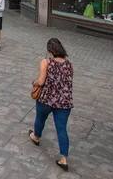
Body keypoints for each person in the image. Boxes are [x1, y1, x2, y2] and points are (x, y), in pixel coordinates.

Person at [28, 38, 74, 172]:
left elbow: (41, 81)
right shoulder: (69, 65)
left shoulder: (46, 62)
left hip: (47, 99)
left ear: (50, 51)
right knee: (62, 129)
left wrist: (34, 83)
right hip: (64, 102)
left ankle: (36, 137)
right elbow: (68, 80)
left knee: (40, 119)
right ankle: (64, 158)